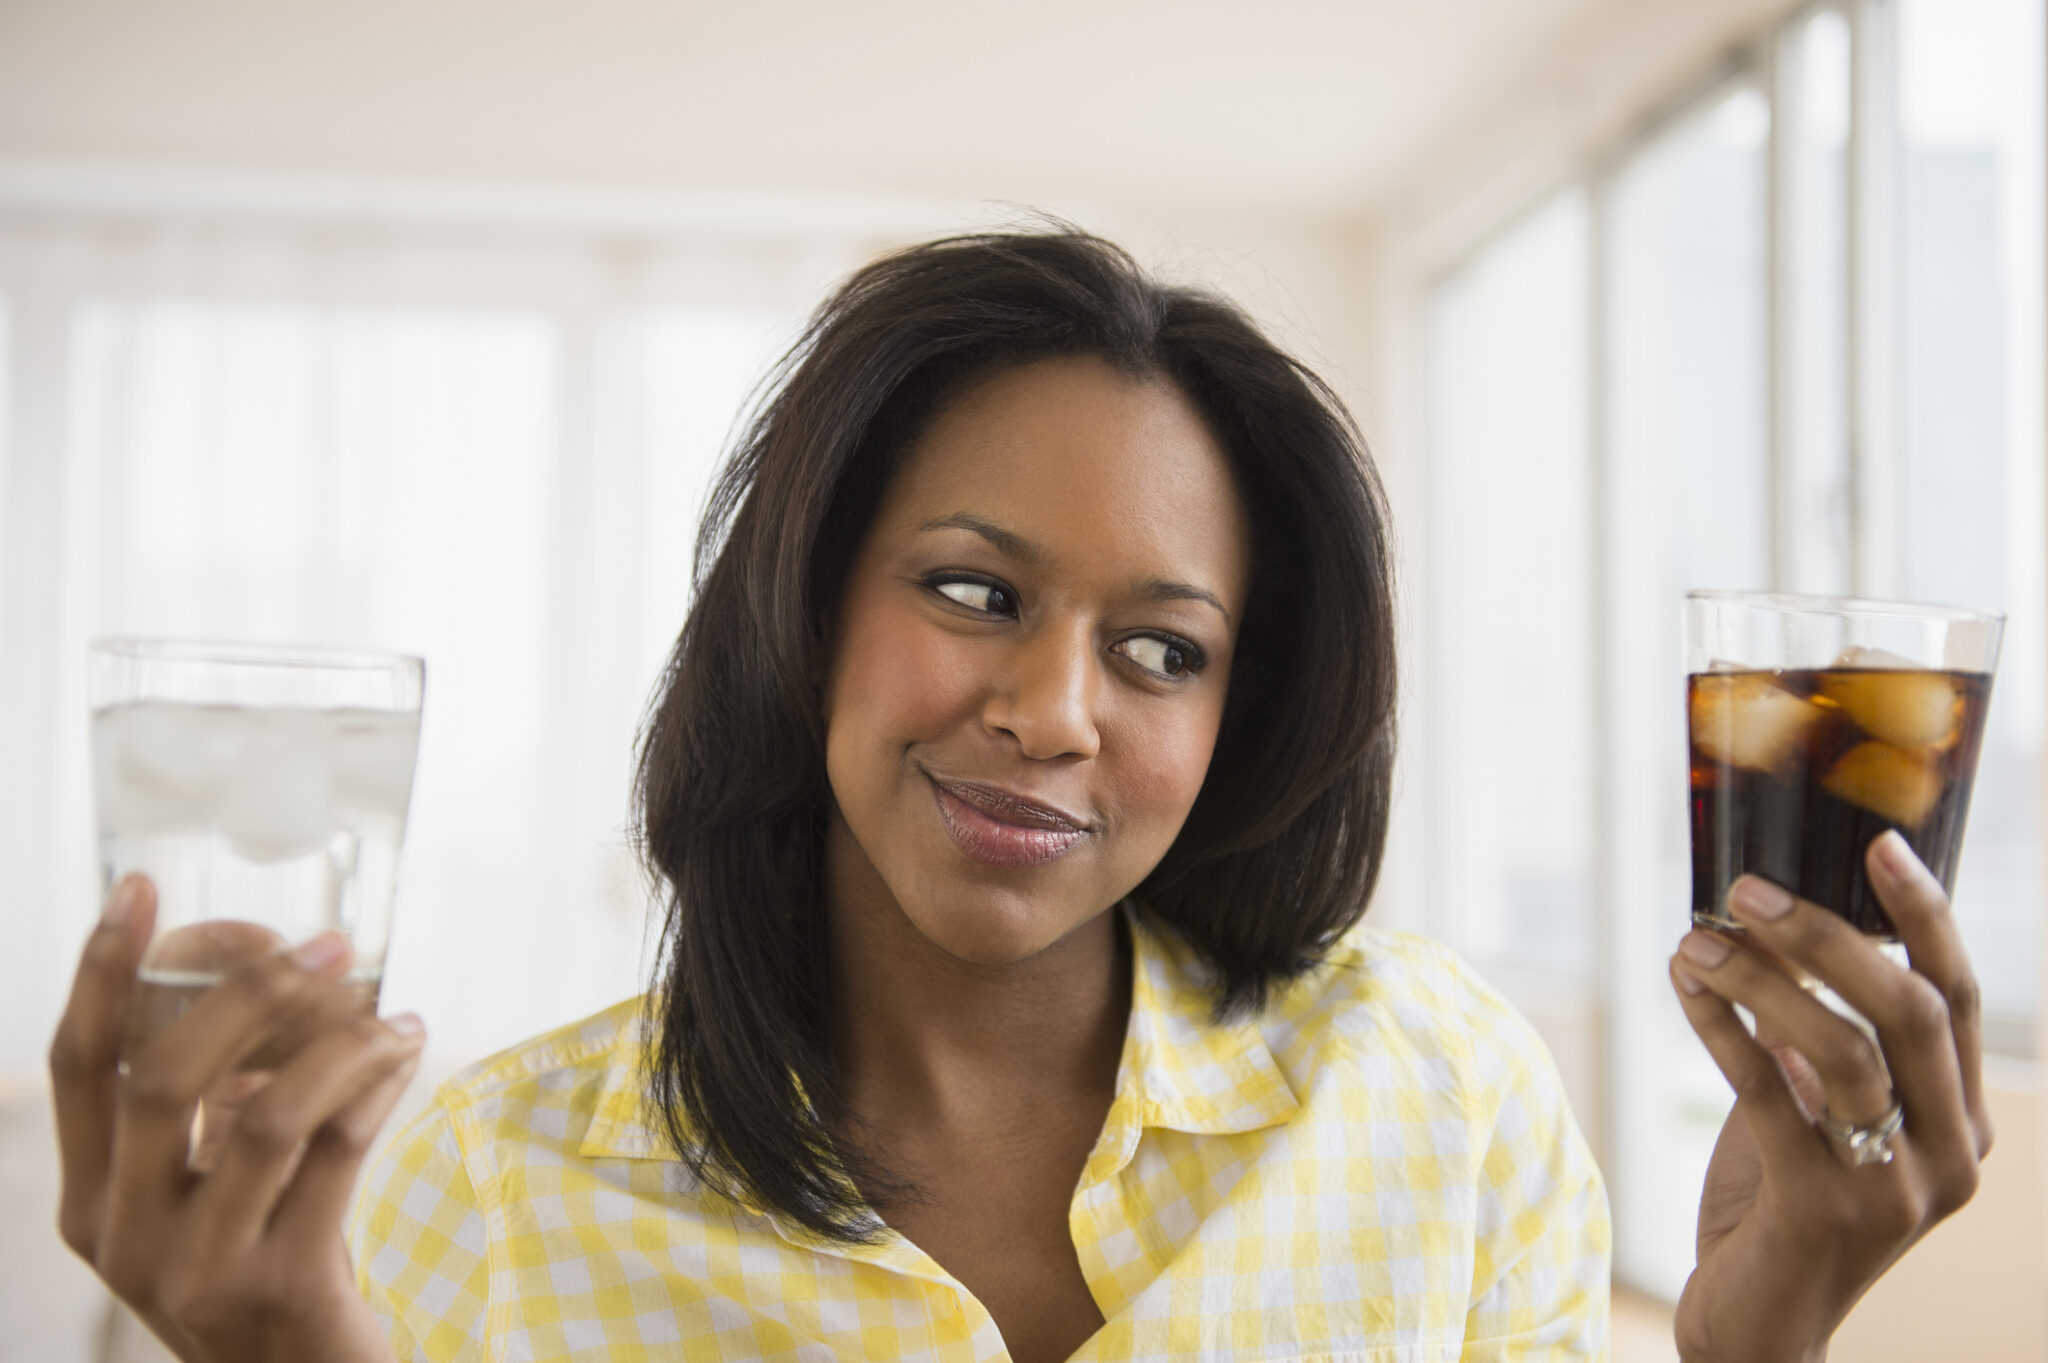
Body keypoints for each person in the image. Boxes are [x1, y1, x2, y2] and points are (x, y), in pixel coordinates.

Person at [48, 228, 1992, 1363]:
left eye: (1160, 648)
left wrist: (1759, 1336)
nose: (1052, 711)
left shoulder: (1434, 1085)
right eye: (973, 591)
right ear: (805, 614)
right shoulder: (486, 1196)